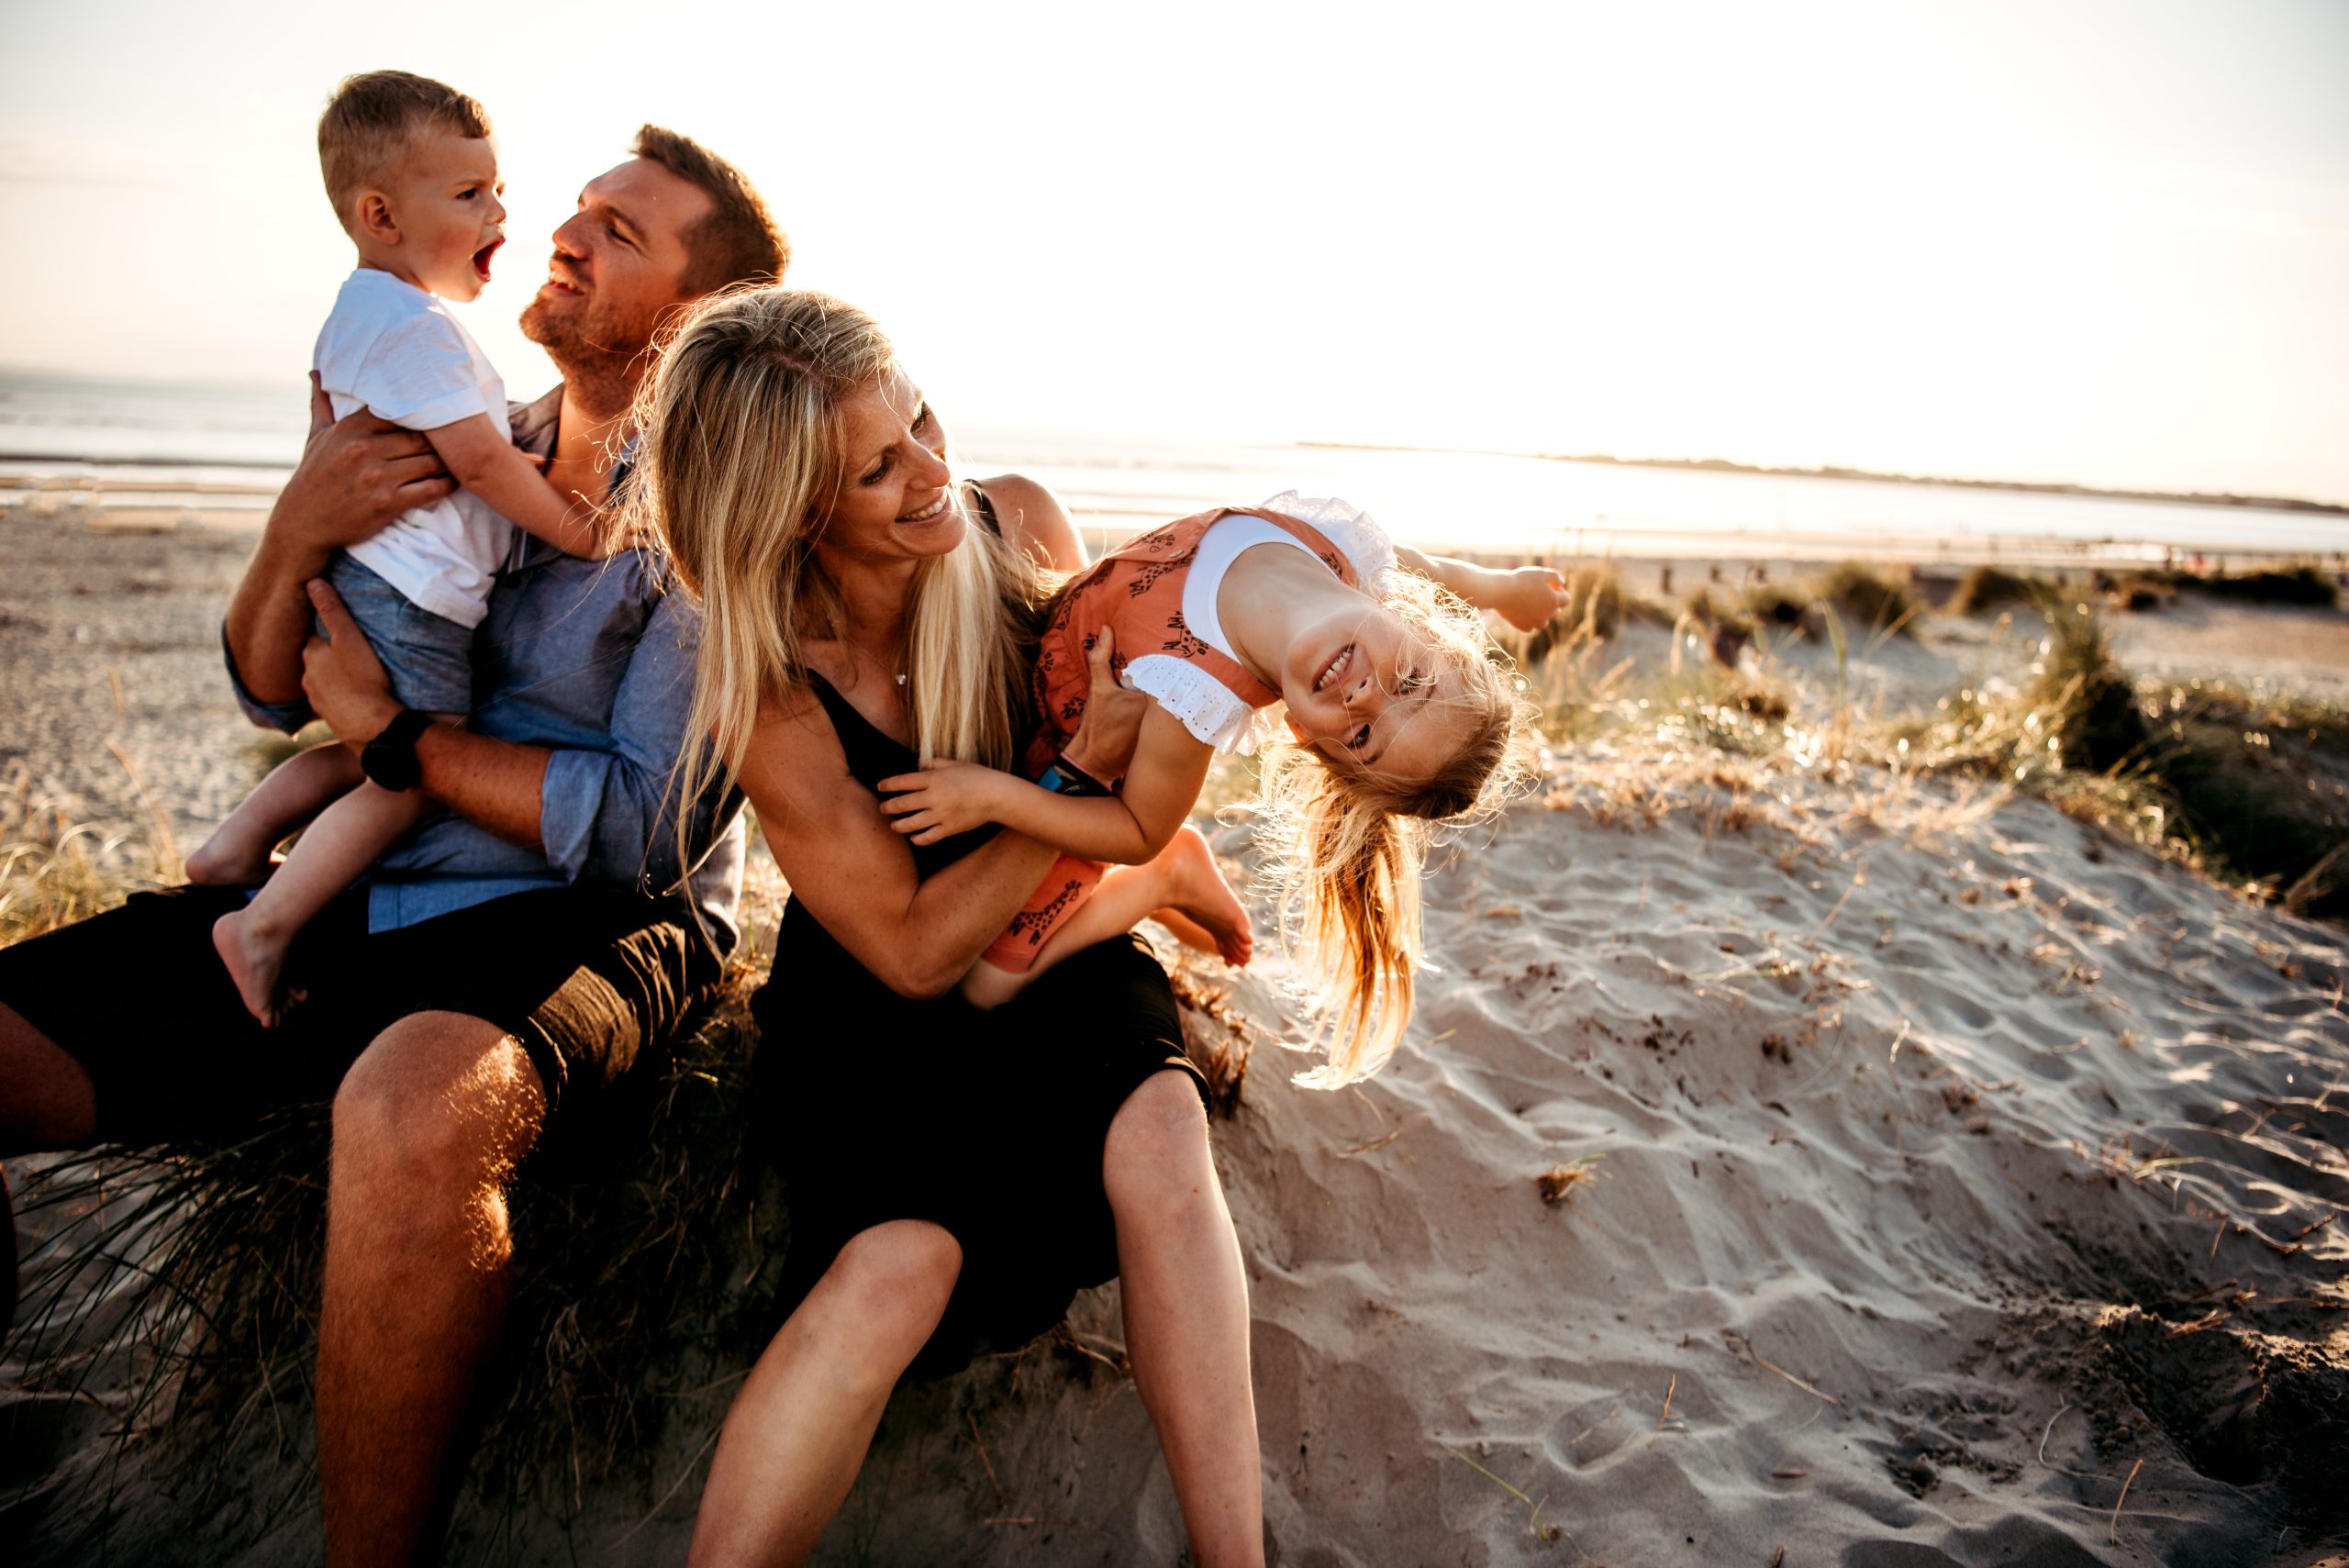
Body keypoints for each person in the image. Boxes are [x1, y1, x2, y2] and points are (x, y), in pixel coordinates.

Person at [0, 123, 784, 1568]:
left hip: (593, 914)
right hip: (369, 864)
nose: (568, 229)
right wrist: (291, 531)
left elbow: (638, 829)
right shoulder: (458, 419)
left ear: (692, 318)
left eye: (621, 231)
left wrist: (399, 745)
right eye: (584, 205)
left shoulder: (718, 518)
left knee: (414, 1111)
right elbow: (266, 682)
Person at [635, 287, 1266, 1567]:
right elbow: (914, 951)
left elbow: (1154, 705)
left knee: (1159, 1128)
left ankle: (1238, 1558)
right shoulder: (771, 691)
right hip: (879, 995)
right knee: (896, 1265)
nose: (933, 469)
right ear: (795, 509)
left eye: (922, 417)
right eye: (881, 467)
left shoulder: (1017, 527)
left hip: (1050, 927)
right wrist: (1059, 795)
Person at [195, 71, 621, 1027]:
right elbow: (482, 463)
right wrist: (584, 528)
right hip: (408, 598)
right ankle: (261, 925)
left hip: (388, 584)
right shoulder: (414, 331)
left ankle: (234, 847)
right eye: (469, 194)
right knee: (407, 768)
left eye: (496, 187)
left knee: (361, 752)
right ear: (380, 214)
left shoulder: (384, 320)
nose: (502, 212)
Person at [881, 493, 1559, 1082]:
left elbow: (1139, 829)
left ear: (1301, 732)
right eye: (1410, 680)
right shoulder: (1348, 548)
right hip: (1045, 635)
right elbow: (1442, 573)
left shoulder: (1196, 693)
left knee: (988, 983)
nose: (1361, 694)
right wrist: (1508, 589)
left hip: (1072, 774)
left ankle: (1168, 882)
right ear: (1418, 619)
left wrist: (992, 798)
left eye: (1361, 738)